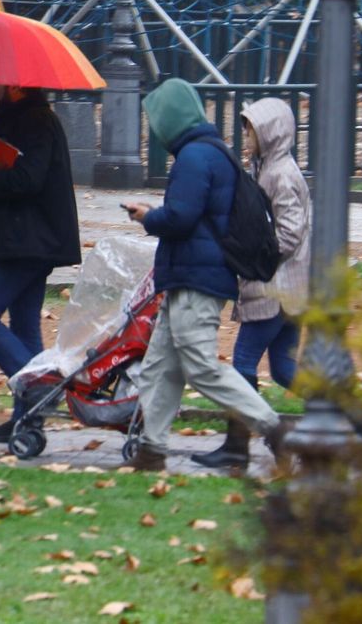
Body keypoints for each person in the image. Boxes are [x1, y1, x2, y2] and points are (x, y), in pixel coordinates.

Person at [123, 78, 284, 473]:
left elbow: (181, 218)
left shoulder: (194, 157)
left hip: (197, 278)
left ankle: (275, 429)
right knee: (162, 365)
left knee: (200, 366)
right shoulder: (211, 153)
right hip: (189, 276)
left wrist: (148, 217)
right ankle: (151, 450)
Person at [192, 97, 311, 470]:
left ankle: (238, 445)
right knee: (282, 368)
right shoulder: (269, 168)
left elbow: (290, 234)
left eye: (250, 129)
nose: (245, 136)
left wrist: (253, 255)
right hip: (286, 289)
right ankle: (341, 412)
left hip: (272, 286)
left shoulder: (280, 174)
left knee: (242, 363)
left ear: (269, 133)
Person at [0, 85, 81, 445]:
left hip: (23, 241)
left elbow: (28, 179)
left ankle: (37, 389)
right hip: (29, 240)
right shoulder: (26, 117)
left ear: (14, 85)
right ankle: (25, 420)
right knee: (25, 327)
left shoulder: (34, 121)